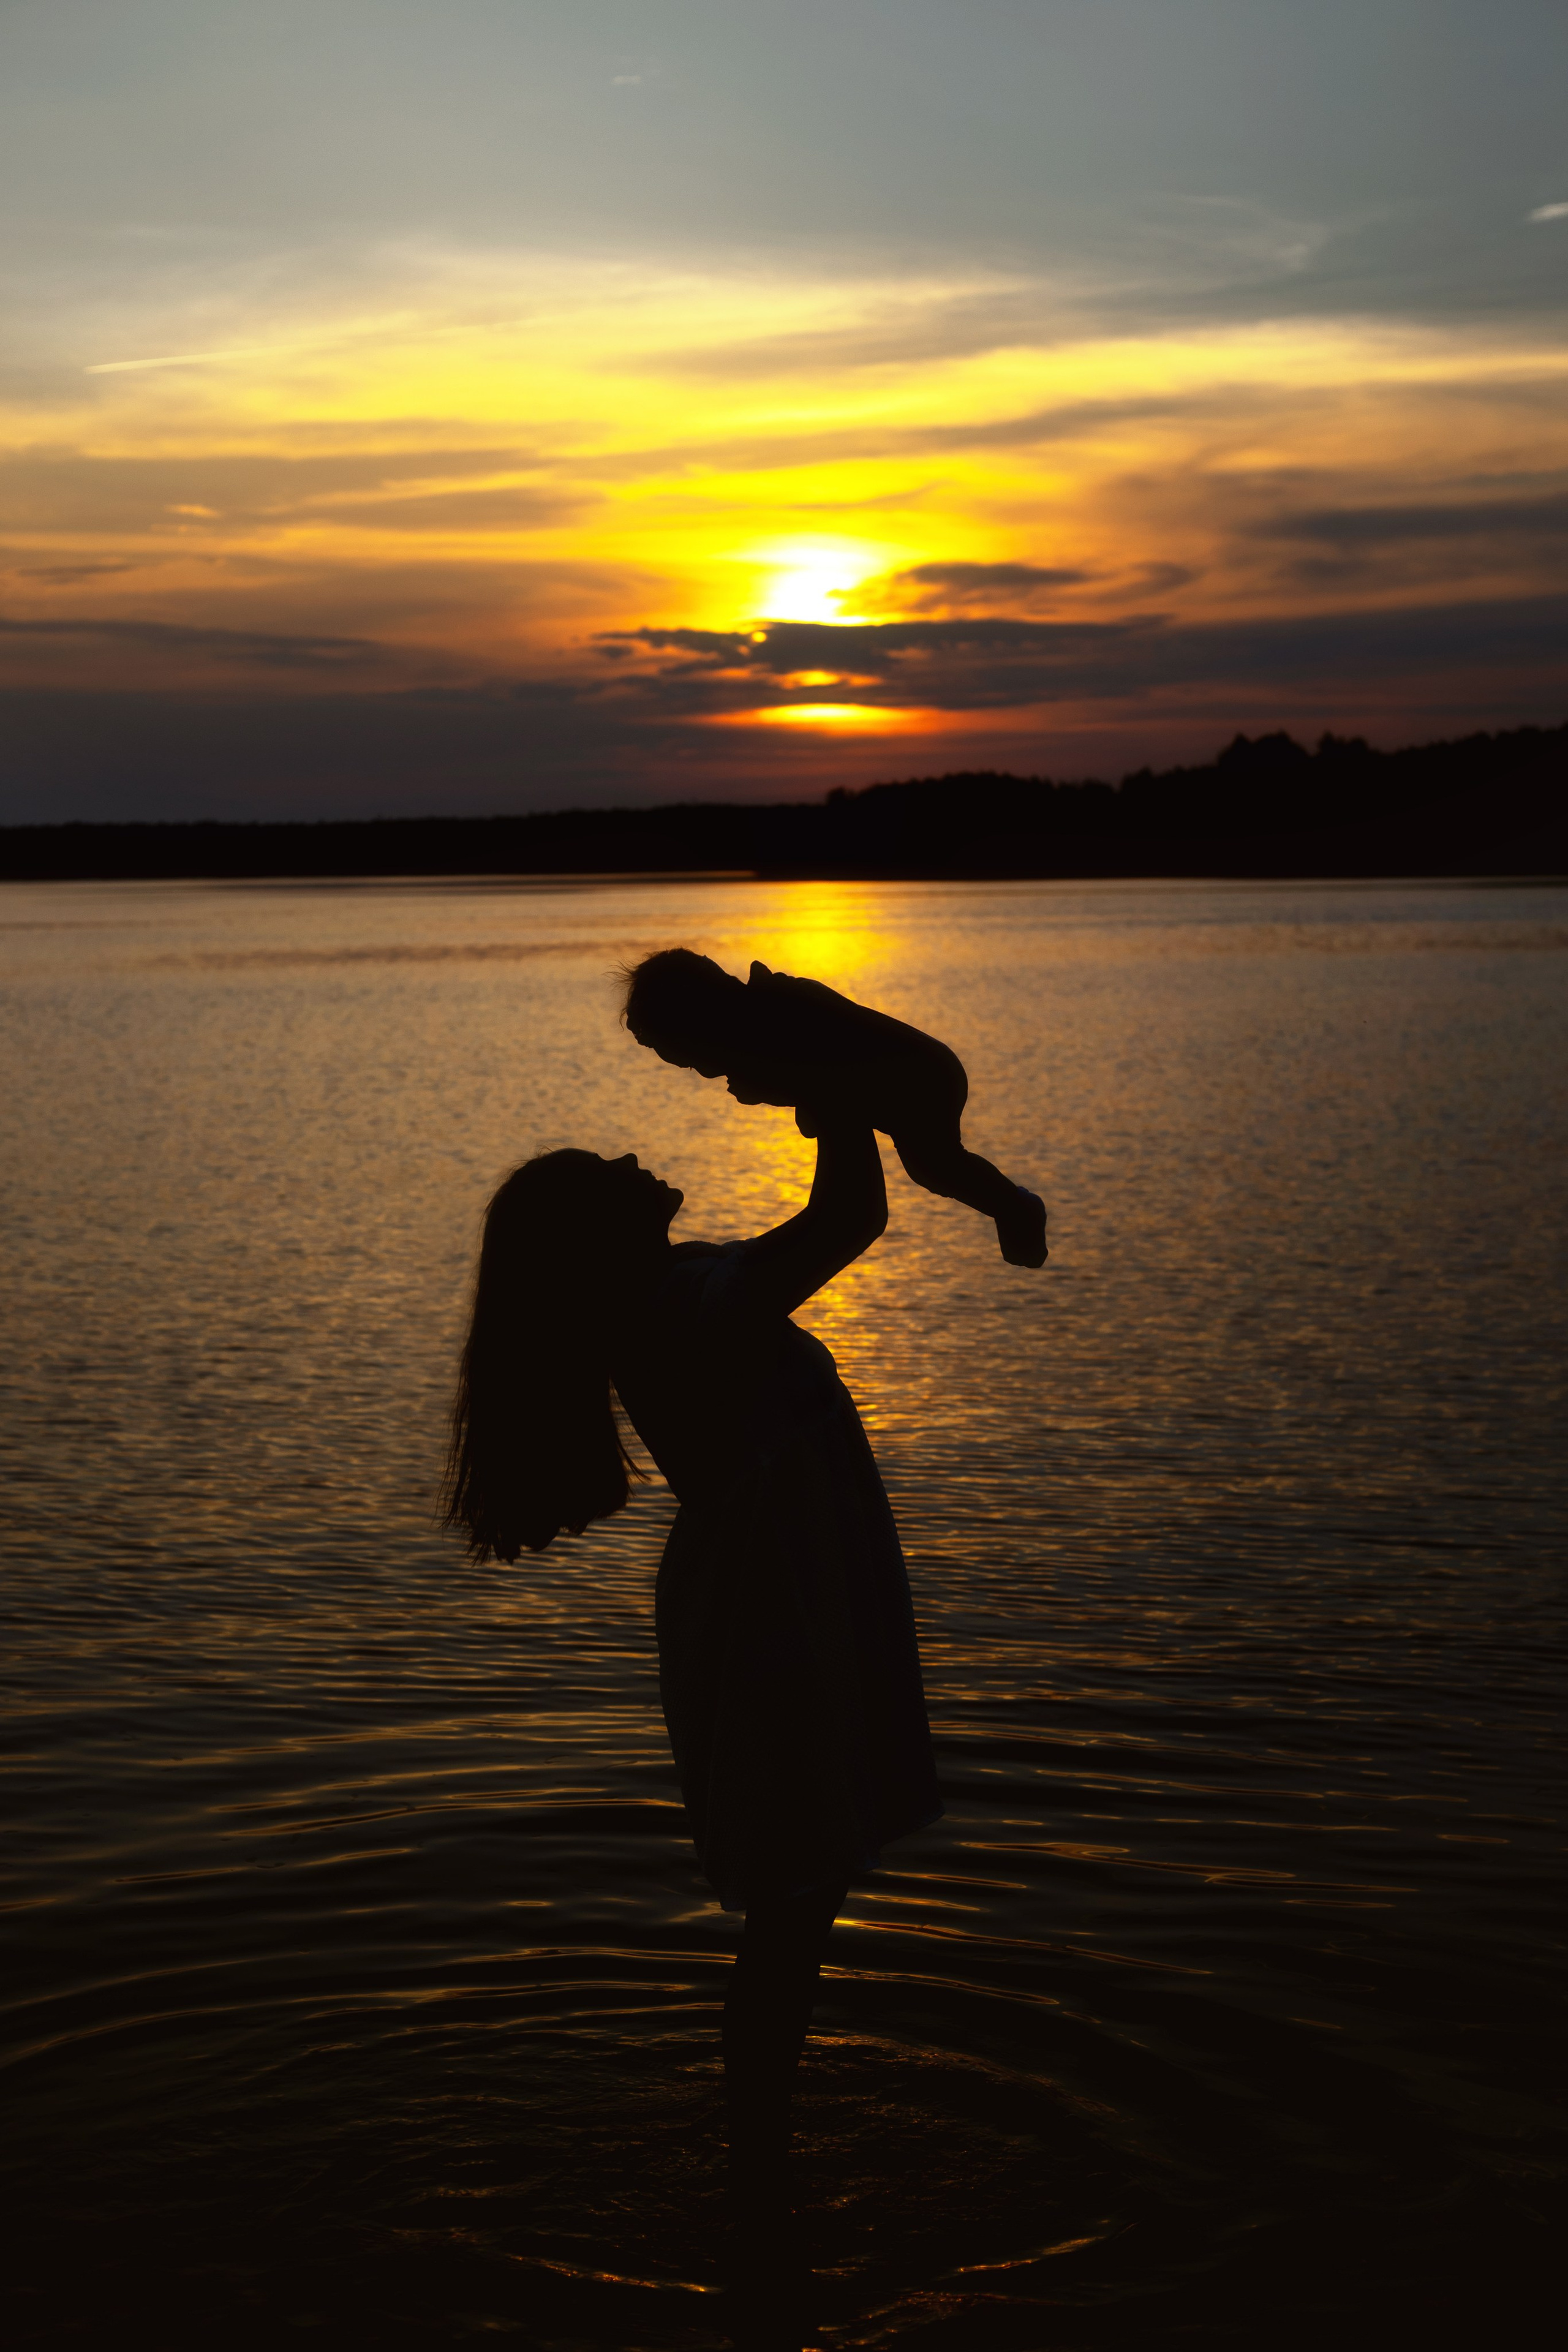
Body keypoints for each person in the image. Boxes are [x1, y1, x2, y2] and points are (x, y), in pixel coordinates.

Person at [442, 1129, 949, 2287]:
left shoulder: (673, 1297)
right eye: (605, 1172)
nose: (632, 1154)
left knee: (800, 1896)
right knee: (795, 1897)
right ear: (597, 1238)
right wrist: (836, 1089)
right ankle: (759, 2183)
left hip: (780, 1584)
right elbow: (846, 1226)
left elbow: (825, 1234)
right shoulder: (685, 1307)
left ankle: (758, 2181)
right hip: (776, 1601)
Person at [622, 948, 1048, 1268]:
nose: (700, 1070)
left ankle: (1016, 1208)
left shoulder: (781, 1013)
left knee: (936, 1166)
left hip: (922, 1079)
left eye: (693, 1058)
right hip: (913, 1078)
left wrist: (768, 1087)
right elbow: (817, 1083)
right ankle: (1013, 1208)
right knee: (934, 1167)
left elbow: (821, 1072)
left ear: (705, 1019)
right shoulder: (763, 1023)